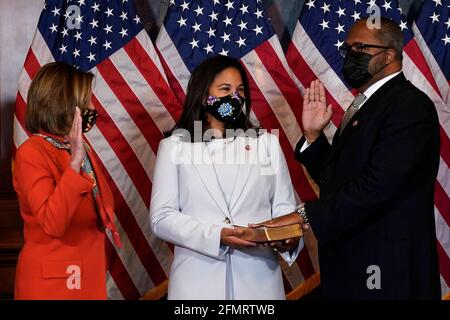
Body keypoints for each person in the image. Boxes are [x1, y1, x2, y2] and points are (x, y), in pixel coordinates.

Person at [252, 18, 441, 299]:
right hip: (353, 267)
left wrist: (304, 214)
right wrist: (314, 137)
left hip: (388, 275)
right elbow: (341, 180)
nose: (350, 55)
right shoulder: (368, 103)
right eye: (347, 49)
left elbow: (377, 187)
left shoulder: (409, 105)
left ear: (389, 55)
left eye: (359, 48)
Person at [149, 55, 302, 300]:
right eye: (225, 89)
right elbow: (161, 217)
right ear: (203, 95)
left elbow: (284, 210)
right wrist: (216, 236)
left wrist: (289, 239)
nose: (235, 96)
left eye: (240, 90)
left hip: (259, 284)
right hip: (196, 286)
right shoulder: (174, 147)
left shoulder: (267, 145)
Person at [13, 62, 121, 299]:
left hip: (87, 278)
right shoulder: (32, 152)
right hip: (54, 286)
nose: (93, 107)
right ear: (64, 105)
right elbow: (53, 224)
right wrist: (74, 165)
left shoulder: (78, 147)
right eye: (87, 102)